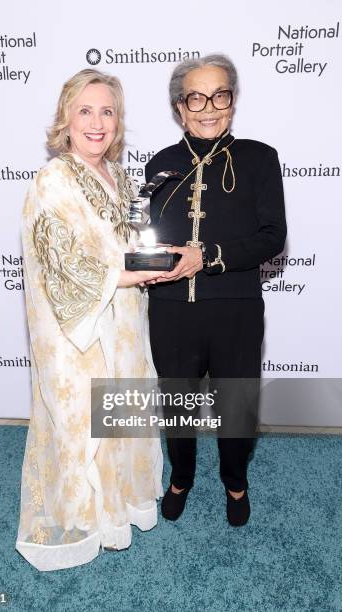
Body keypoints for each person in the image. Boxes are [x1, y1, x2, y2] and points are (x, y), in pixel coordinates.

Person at [16, 69, 163, 571]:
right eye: (85, 111)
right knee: (84, 427)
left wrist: (150, 265)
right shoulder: (52, 180)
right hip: (77, 332)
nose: (97, 123)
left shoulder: (118, 177)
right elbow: (60, 264)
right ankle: (86, 522)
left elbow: (126, 247)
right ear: (66, 119)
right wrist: (126, 274)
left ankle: (118, 510)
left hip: (122, 321)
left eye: (107, 111)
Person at [146, 54, 286, 526]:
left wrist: (209, 255)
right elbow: (145, 239)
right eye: (195, 97)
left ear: (233, 100)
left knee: (237, 406)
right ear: (179, 107)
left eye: (219, 95)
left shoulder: (260, 158)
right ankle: (180, 477)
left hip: (236, 308)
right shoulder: (160, 164)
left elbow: (272, 236)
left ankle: (235, 481)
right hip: (170, 310)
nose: (208, 107)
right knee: (177, 406)